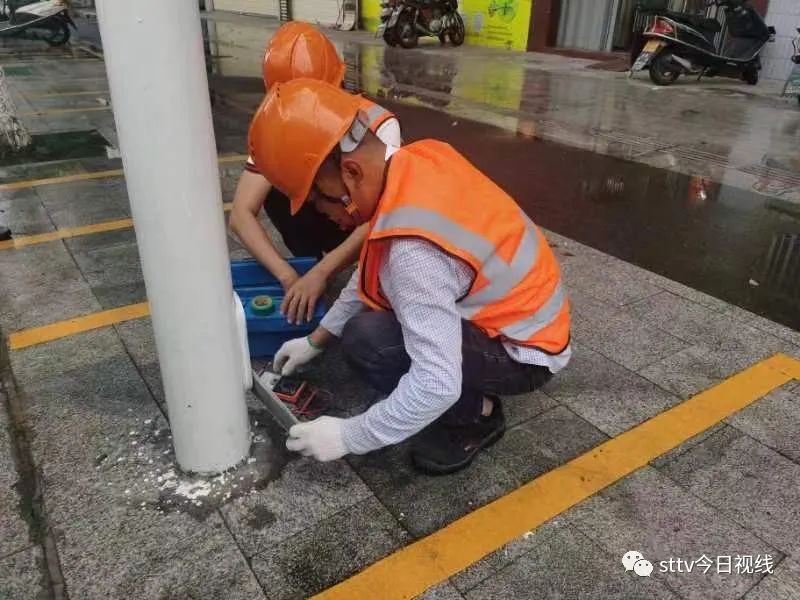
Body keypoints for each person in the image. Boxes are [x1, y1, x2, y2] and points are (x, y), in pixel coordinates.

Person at [249, 80, 572, 475]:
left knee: (371, 342)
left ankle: (478, 414)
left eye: (318, 198)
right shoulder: (416, 161)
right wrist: (316, 341)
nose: (318, 212)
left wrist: (349, 436)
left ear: (351, 172)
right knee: (369, 328)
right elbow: (371, 272)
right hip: (524, 317)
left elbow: (437, 383)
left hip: (525, 352)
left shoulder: (413, 253)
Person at [229, 22, 401, 324]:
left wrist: (323, 274)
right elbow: (241, 213)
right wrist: (289, 276)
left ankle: (358, 269)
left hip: (365, 229)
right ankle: (311, 261)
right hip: (336, 223)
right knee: (278, 188)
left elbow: (384, 217)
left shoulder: (377, 127)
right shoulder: (279, 130)